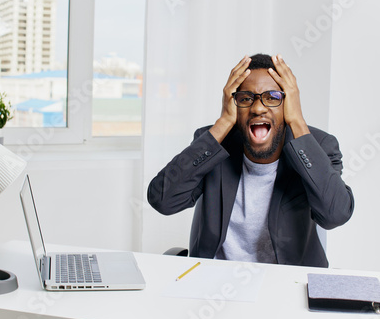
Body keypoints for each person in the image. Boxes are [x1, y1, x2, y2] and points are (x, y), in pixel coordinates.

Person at [147, 53, 354, 268]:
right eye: (245, 98)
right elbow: (162, 200)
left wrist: (297, 122)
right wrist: (224, 122)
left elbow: (335, 214)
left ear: (288, 103)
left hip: (285, 285)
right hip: (214, 281)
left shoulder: (317, 146)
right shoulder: (213, 142)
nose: (257, 108)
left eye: (272, 97)